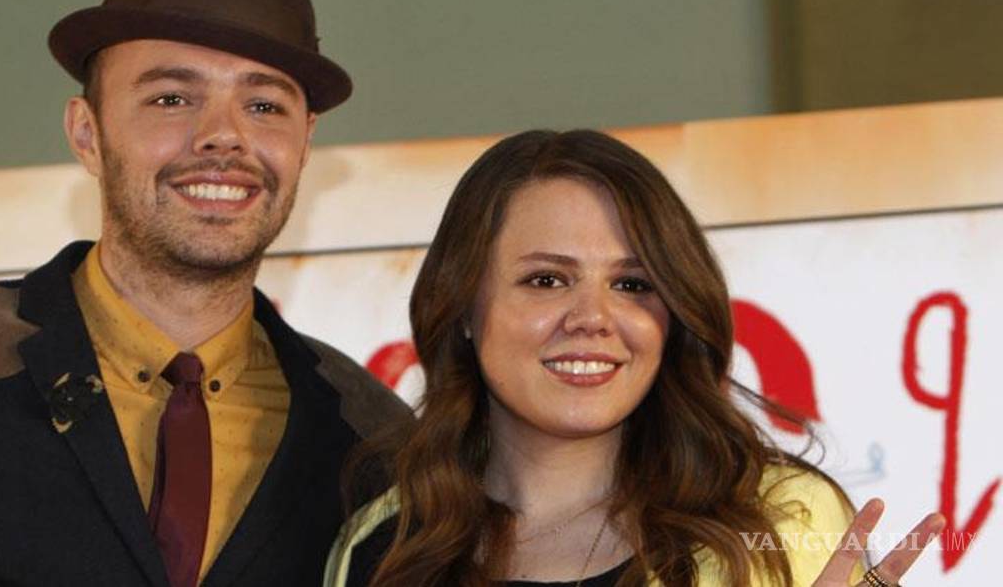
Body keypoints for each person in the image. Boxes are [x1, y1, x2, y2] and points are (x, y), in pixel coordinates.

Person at [0, 0, 409, 585]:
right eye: (171, 98)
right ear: (87, 133)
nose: (223, 136)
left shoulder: (374, 440)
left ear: (305, 141)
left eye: (264, 105)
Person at [324, 130, 944, 587]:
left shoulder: (777, 522)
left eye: (632, 284)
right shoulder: (385, 544)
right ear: (462, 304)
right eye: (546, 280)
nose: (593, 317)